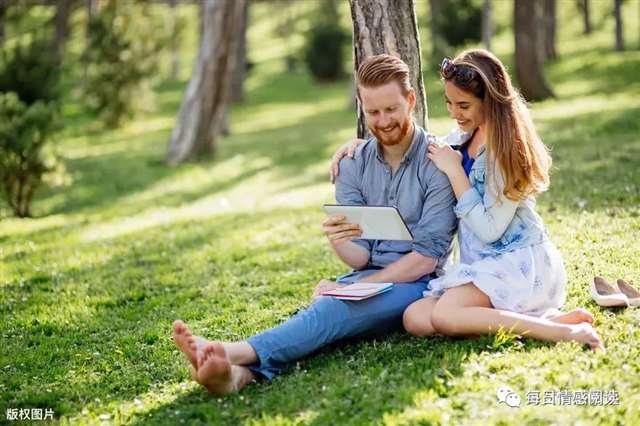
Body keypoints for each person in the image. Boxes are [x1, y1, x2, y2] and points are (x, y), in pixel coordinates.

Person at [172, 54, 459, 395]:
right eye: (373, 112)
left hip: (420, 283)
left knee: (333, 311)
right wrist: (339, 241)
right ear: (361, 107)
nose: (383, 121)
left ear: (411, 100)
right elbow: (359, 259)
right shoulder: (352, 164)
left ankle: (230, 350)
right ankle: (236, 377)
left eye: (392, 109)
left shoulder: (437, 163)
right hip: (366, 277)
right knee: (329, 317)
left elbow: (427, 259)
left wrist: (355, 288)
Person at [331, 49, 604, 352]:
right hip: (482, 267)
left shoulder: (506, 152)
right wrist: (361, 144)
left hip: (519, 265)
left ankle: (559, 332)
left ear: (490, 101)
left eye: (464, 105)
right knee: (416, 318)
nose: (454, 113)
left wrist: (454, 173)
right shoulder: (462, 138)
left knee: (446, 316)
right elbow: (420, 145)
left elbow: (490, 230)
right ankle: (547, 322)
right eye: (449, 103)